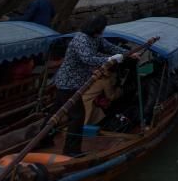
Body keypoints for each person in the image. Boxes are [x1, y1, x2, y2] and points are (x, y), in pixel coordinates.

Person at [51, 16, 130, 156]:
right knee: (77, 116)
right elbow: (87, 58)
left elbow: (108, 46)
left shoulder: (96, 38)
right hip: (68, 82)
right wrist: (109, 59)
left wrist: (127, 54)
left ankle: (44, 140)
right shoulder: (81, 39)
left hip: (76, 82)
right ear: (96, 28)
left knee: (56, 112)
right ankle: (71, 150)